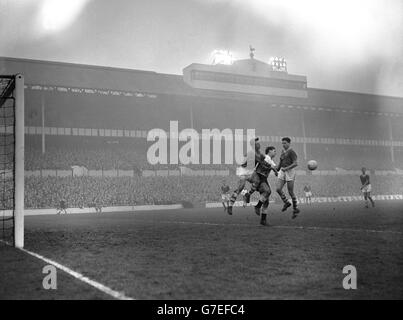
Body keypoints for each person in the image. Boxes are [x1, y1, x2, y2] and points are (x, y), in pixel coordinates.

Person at [227, 137, 261, 215]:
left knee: (257, 181)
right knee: (240, 188)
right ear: (253, 145)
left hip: (250, 171)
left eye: (259, 143)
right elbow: (259, 160)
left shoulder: (257, 152)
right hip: (243, 171)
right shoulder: (251, 152)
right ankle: (230, 205)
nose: (259, 144)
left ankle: (247, 194)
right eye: (257, 143)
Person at [276, 137, 300, 219]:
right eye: (282, 143)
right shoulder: (282, 151)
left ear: (289, 143)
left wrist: (286, 168)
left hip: (290, 172)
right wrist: (277, 169)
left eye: (285, 143)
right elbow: (281, 161)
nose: (283, 145)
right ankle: (286, 202)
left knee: (290, 192)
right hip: (282, 171)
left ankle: (295, 209)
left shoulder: (291, 152)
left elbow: (295, 163)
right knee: (278, 189)